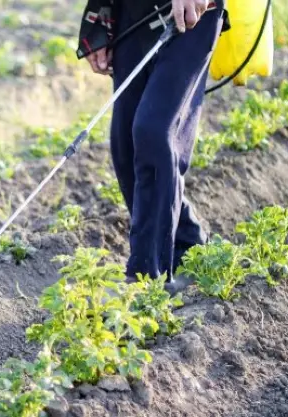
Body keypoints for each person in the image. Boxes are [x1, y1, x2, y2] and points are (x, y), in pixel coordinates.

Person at [76, 0, 230, 293]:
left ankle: (148, 280)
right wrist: (99, 22)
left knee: (155, 132)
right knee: (125, 148)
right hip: (131, 14)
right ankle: (188, 243)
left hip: (191, 14)